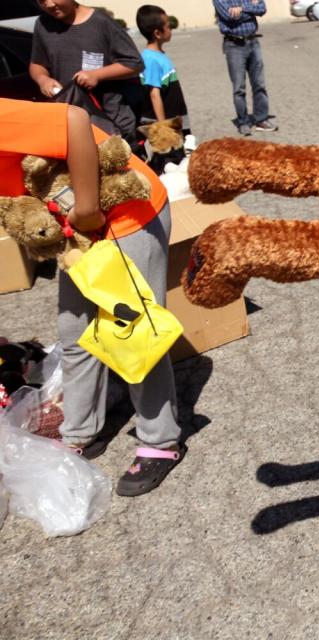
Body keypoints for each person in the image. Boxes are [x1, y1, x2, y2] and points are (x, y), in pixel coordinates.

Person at [0, 98, 185, 495]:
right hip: (75, 230)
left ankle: (161, 441)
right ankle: (81, 432)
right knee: (76, 331)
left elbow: (74, 119)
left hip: (123, 213)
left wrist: (85, 209)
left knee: (133, 333)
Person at [29, 0, 144, 146]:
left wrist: (97, 74)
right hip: (71, 122)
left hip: (111, 123)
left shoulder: (101, 22)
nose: (49, 5)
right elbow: (37, 63)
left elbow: (135, 63)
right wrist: (42, 79)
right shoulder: (43, 24)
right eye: (42, 1)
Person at [212, 0, 278, 136]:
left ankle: (261, 119)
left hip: (253, 42)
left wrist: (241, 8)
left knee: (259, 84)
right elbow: (228, 16)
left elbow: (262, 9)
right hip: (234, 44)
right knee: (239, 88)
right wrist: (251, 8)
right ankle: (243, 122)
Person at [135, 5, 191, 135]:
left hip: (174, 120)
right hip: (167, 123)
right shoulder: (150, 59)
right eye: (168, 26)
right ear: (157, 33)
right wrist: (163, 127)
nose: (171, 29)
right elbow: (154, 94)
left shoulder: (158, 55)